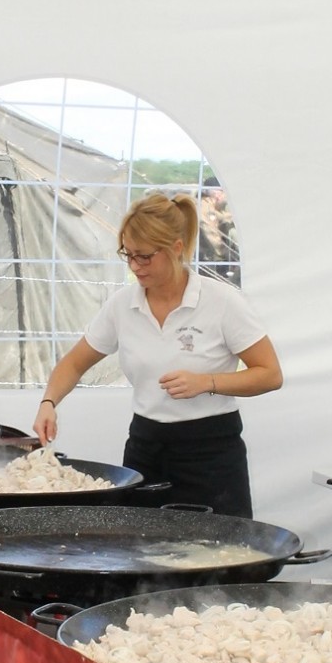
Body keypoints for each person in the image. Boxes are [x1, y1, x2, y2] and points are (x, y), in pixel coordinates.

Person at [33, 191, 283, 517]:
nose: (135, 266)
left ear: (176, 248)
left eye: (145, 256)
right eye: (128, 255)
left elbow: (269, 374)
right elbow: (74, 363)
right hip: (146, 449)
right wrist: (48, 402)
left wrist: (208, 381)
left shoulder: (222, 302)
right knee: (141, 553)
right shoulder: (123, 306)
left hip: (211, 454)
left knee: (217, 555)